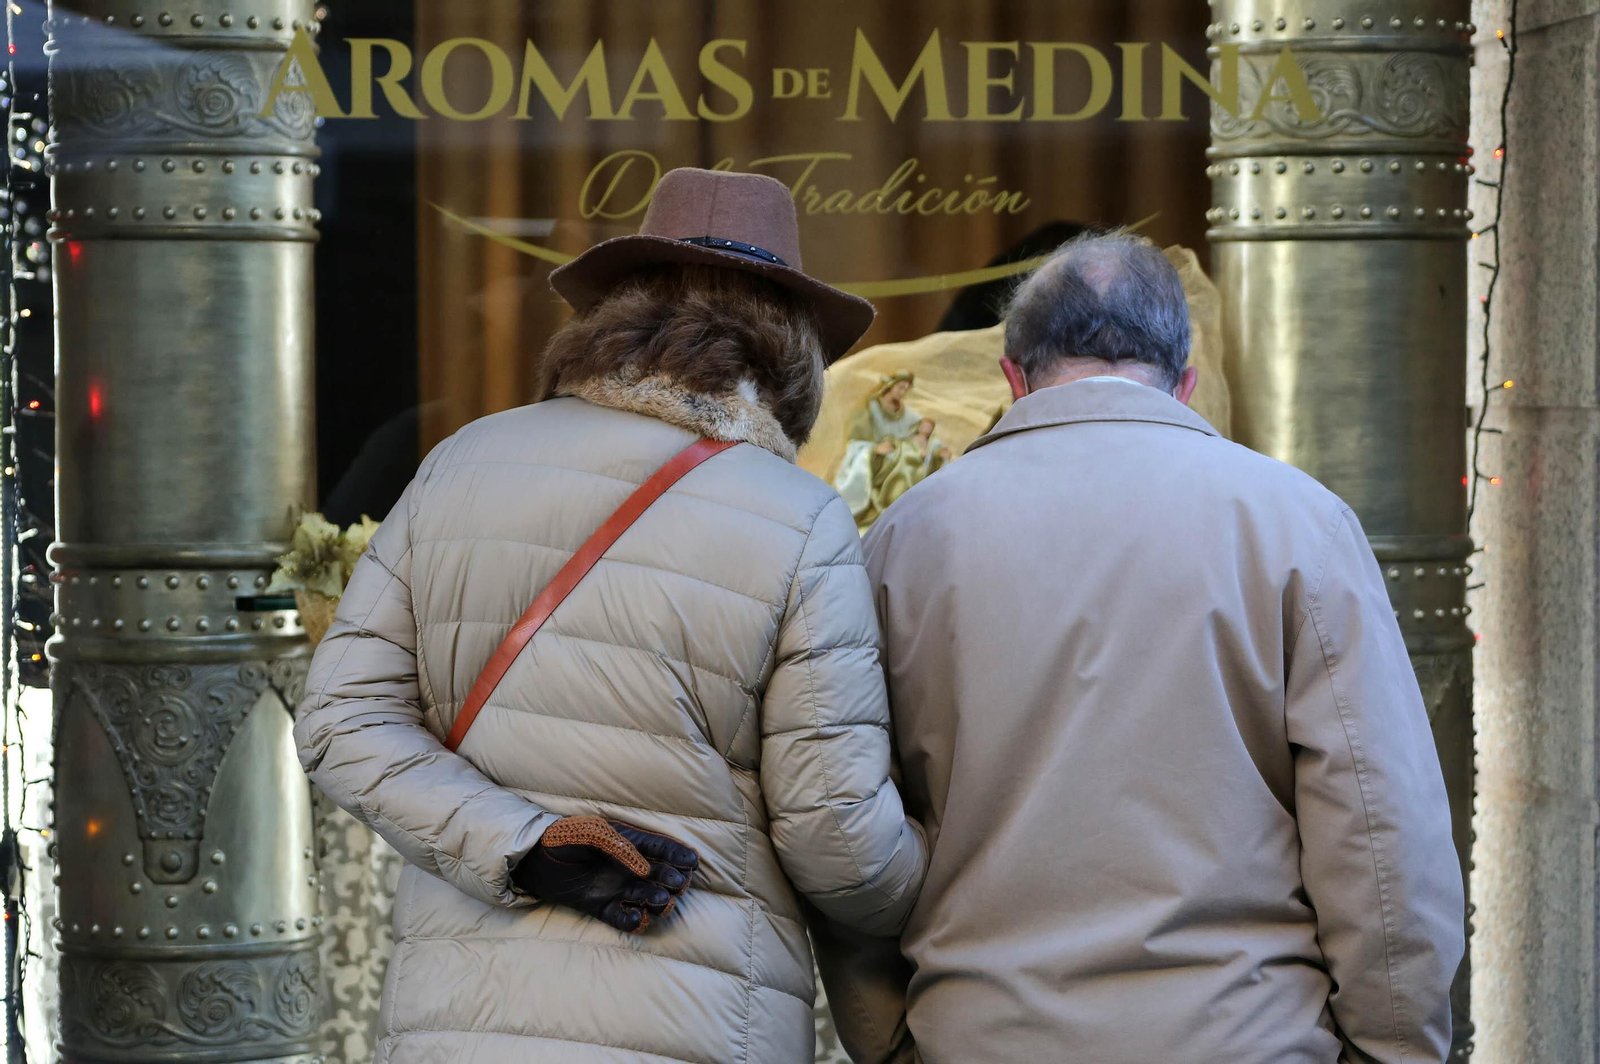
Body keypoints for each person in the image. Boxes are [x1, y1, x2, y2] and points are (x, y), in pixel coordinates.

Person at [295, 167, 927, 1064]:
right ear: (792, 348)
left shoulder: (462, 460)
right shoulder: (800, 516)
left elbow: (340, 721)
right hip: (695, 1020)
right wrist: (949, 876)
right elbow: (836, 840)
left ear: (612, 315)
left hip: (461, 1024)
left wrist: (526, 844)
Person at [840, 231, 1464, 1064]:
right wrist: (1394, 1051)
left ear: (1013, 376)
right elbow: (1383, 833)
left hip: (985, 1037)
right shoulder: (1297, 524)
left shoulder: (899, 544)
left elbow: (845, 827)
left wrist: (889, 1043)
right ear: (1187, 380)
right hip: (1243, 1038)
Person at [835, 372, 951, 531]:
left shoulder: (906, 413)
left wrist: (938, 449)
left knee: (908, 462)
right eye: (901, 387)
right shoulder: (870, 410)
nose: (903, 392)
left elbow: (926, 432)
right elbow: (855, 442)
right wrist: (874, 449)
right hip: (879, 463)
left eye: (906, 389)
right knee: (902, 465)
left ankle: (903, 514)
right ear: (890, 386)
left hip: (901, 459)